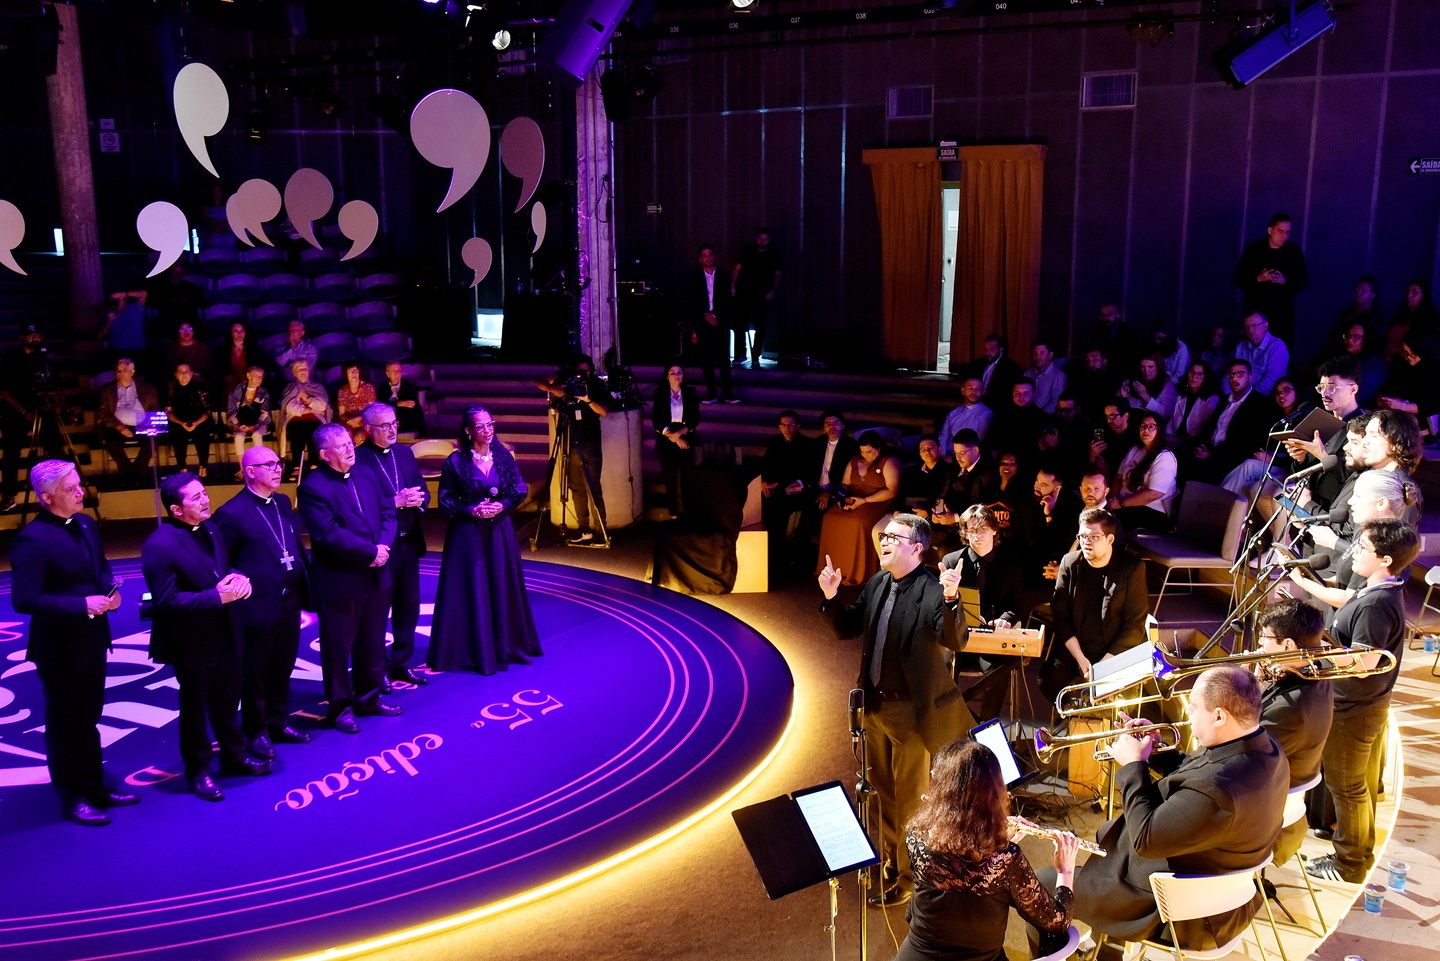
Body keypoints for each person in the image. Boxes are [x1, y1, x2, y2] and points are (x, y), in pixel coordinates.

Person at [1062, 665, 1289, 951]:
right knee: (1108, 835)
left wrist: (1133, 765)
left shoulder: (1216, 790)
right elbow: (1197, 773)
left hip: (1178, 913)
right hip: (1216, 884)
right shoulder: (1265, 747)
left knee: (1044, 885)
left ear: (1219, 716)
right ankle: (1107, 950)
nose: (1188, 713)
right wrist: (1156, 750)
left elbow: (1146, 840)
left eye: (1194, 707)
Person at [819, 514, 972, 906]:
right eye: (883, 535)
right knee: (881, 793)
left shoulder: (933, 590)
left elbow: (956, 640)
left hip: (912, 713)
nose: (883, 541)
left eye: (893, 537)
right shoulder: (878, 582)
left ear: (917, 548)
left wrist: (952, 599)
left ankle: (910, 876)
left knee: (910, 799)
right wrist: (832, 598)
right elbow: (847, 628)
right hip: (874, 706)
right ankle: (892, 859)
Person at [10, 460, 134, 826]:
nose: (81, 492)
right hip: (60, 648)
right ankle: (72, 795)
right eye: (71, 489)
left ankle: (94, 786)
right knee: (65, 724)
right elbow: (25, 599)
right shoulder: (31, 539)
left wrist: (110, 591)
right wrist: (81, 605)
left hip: (94, 639)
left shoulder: (86, 523)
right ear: (47, 497)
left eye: (80, 484)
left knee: (89, 719)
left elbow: (101, 568)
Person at [142, 472, 269, 801]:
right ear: (176, 509)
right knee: (195, 711)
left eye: (204, 493)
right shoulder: (159, 545)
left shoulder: (211, 529)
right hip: (191, 641)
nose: (206, 500)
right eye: (196, 497)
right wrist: (216, 597)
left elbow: (221, 571)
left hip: (226, 631)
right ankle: (198, 772)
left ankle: (234, 757)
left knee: (227, 703)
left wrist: (239, 578)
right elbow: (166, 602)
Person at [895, 739, 1079, 961]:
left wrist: (996, 842)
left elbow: (955, 866)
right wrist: (1066, 870)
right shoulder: (1006, 860)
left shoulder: (917, 836)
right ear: (995, 792)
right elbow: (1057, 922)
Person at [1306, 519, 1417, 884]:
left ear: (1385, 559)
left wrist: (1316, 656)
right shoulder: (1379, 589)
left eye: (1363, 548)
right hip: (1361, 706)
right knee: (1355, 787)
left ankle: (1349, 864)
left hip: (1353, 709)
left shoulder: (1376, 604)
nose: (1353, 552)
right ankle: (1355, 854)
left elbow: (1365, 662)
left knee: (1348, 789)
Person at [297, 422, 399, 733]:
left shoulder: (366, 472)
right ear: (325, 454)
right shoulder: (312, 487)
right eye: (341, 446)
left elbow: (388, 511)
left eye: (350, 443)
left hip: (377, 572)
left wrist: (383, 546)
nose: (350, 449)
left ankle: (368, 698)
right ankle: (340, 708)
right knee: (338, 649)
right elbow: (327, 534)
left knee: (373, 641)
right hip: (341, 580)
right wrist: (370, 552)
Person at [213, 446, 312, 760]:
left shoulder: (281, 502)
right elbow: (220, 560)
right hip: (255, 607)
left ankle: (279, 721)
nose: (278, 468)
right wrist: (235, 575)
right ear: (250, 471)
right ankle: (256, 732)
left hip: (288, 601)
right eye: (269, 464)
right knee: (255, 672)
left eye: (278, 463)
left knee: (283, 665)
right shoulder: (231, 513)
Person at [428, 406, 542, 674]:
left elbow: (519, 489)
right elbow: (445, 500)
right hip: (468, 535)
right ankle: (472, 651)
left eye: (490, 424)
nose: (487, 430)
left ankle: (506, 647)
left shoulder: (503, 455)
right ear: (468, 431)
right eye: (480, 426)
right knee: (473, 588)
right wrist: (472, 510)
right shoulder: (456, 461)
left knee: (501, 584)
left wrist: (502, 505)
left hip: (499, 531)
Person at [355, 402, 430, 686]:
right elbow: (359, 505)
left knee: (408, 606)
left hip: (408, 541)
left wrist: (420, 499)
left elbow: (422, 486)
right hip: (381, 547)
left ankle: (401, 663)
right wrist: (394, 502)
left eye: (394, 423)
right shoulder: (358, 459)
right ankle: (376, 671)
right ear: (368, 429)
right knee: (377, 612)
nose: (392, 430)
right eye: (384, 426)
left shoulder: (404, 452)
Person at [1038, 509, 1148, 703]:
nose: (1086, 542)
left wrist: (1103, 666)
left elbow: (1134, 624)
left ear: (1110, 539)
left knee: (1125, 697)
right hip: (1079, 647)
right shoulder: (1070, 563)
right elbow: (1060, 616)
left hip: (1116, 649)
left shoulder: (1131, 567)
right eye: (1082, 536)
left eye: (1094, 537)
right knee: (1048, 680)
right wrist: (1080, 659)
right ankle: (1074, 714)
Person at [1254, 598, 1333, 866]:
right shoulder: (1317, 671)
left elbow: (1242, 759)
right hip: (1289, 799)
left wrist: (1248, 691)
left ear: (1288, 645)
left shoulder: (1289, 708)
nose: (1260, 644)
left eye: (1265, 638)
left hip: (1265, 814)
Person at [537, 353, 611, 544]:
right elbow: (539, 382)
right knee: (576, 487)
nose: (582, 374)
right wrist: (555, 389)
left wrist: (587, 400)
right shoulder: (566, 379)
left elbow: (604, 411)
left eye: (586, 370)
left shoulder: (596, 384)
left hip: (590, 442)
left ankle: (601, 531)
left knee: (593, 488)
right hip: (569, 440)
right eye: (580, 371)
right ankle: (583, 528)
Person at [815, 429, 901, 587]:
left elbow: (892, 490)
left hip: (876, 502)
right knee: (830, 517)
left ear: (878, 448)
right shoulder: (854, 462)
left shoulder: (889, 462)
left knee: (858, 523)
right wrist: (842, 498)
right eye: (862, 451)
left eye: (869, 452)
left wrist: (865, 500)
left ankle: (858, 570)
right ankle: (833, 568)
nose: (865, 455)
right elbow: (845, 484)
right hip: (854, 499)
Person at [1192, 359, 1280, 481]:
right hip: (1209, 450)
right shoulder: (1223, 400)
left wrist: (1212, 455)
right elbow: (1209, 427)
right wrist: (1201, 447)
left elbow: (1247, 442)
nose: (1234, 379)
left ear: (1250, 377)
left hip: (1230, 459)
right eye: (1231, 375)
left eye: (1240, 374)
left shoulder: (1260, 403)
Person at [1234, 212, 1308, 341]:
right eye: (1280, 231)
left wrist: (1285, 281)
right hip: (1256, 312)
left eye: (1288, 232)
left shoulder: (1293, 252)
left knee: (1280, 348)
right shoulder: (1254, 250)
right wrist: (1258, 279)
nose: (1284, 235)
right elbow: (1238, 280)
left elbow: (1304, 282)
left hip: (1282, 314)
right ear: (1270, 230)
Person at [759, 409, 817, 570]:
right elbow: (766, 465)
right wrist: (764, 482)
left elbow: (805, 471)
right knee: (766, 507)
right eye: (783, 425)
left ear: (798, 426)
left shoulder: (807, 444)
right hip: (775, 489)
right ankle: (769, 553)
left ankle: (784, 557)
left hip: (795, 490)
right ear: (779, 427)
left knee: (781, 511)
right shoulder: (775, 442)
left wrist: (779, 484)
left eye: (791, 425)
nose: (787, 428)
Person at [682, 244, 737, 404]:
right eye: (704, 255)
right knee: (706, 359)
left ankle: (728, 393)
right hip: (702, 322)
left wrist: (716, 315)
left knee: (724, 359)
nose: (708, 257)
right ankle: (711, 393)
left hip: (720, 322)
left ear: (715, 256)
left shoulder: (724, 277)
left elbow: (728, 301)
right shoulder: (694, 278)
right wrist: (705, 316)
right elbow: (691, 302)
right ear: (700, 259)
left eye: (710, 254)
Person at [1107, 412, 1176, 534]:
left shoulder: (1164, 457)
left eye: (1151, 426)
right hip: (1124, 504)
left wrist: (1121, 504)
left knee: (1108, 525)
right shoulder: (1135, 450)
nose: (1145, 430)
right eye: (1143, 426)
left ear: (1159, 430)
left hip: (1150, 510)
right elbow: (1119, 477)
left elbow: (1154, 493)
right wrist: (1113, 499)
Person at [97, 357, 160, 486]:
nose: (121, 373)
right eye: (119, 370)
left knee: (154, 438)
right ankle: (127, 471)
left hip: (142, 425)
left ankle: (136, 472)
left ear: (132, 371)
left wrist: (148, 424)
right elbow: (103, 413)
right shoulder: (107, 390)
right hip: (117, 427)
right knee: (110, 440)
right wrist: (120, 427)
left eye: (124, 370)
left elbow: (155, 409)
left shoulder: (147, 388)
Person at [652, 363, 701, 518]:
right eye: (672, 372)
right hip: (666, 437)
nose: (676, 375)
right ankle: (673, 513)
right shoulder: (660, 393)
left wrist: (679, 435)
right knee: (670, 478)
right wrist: (672, 436)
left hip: (685, 435)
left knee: (687, 478)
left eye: (679, 372)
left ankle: (687, 513)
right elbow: (656, 419)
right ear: (667, 376)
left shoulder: (690, 392)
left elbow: (695, 418)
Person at [730, 227, 781, 367]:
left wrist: (773, 291)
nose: (762, 242)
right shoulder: (748, 250)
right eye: (760, 239)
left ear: (769, 240)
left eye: (765, 239)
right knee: (740, 324)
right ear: (756, 238)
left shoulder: (773, 253)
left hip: (762, 296)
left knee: (760, 327)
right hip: (744, 293)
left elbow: (778, 274)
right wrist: (733, 285)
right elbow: (737, 268)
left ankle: (755, 355)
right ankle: (740, 354)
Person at [280, 359, 332, 479]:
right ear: (294, 373)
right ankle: (297, 467)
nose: (303, 372)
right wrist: (310, 409)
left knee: (312, 430)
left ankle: (314, 465)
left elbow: (322, 406)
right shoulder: (289, 388)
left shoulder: (317, 387)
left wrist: (307, 398)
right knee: (297, 431)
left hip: (315, 419)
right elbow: (289, 407)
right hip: (295, 420)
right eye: (300, 369)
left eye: (305, 369)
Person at [164, 363, 213, 477]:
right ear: (176, 375)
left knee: (203, 435)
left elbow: (208, 411)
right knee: (177, 436)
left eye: (186, 372)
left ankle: (203, 467)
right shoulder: (171, 389)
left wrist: (196, 423)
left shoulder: (200, 387)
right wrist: (181, 423)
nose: (184, 375)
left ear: (191, 374)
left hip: (199, 420)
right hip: (179, 421)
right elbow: (168, 412)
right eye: (181, 372)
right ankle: (182, 469)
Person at [1379, 278, 1438, 361]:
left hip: (1403, 364)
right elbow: (1385, 338)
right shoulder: (1401, 313)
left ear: (1424, 296)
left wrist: (1394, 360)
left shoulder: (1428, 320)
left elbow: (1417, 356)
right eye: (1408, 292)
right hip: (1383, 357)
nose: (1409, 295)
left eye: (1414, 293)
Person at [1233, 311, 1289, 395]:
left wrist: (1248, 398)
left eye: (1254, 325)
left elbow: (1271, 381)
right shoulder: (1241, 346)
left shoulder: (1277, 346)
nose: (1250, 330)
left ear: (1266, 326)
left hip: (1265, 397)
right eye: (1247, 326)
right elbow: (1234, 373)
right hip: (1241, 394)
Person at [1118, 355, 1178, 434]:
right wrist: (1124, 398)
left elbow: (1165, 414)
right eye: (1143, 367)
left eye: (1150, 367)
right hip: (1132, 423)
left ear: (1158, 367)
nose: (1146, 371)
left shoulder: (1167, 385)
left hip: (1153, 428)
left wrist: (1145, 396)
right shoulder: (1135, 379)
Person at [1169, 361, 1218, 452]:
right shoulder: (1181, 395)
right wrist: (1168, 435)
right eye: (1192, 372)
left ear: (1206, 377)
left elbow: (1203, 427)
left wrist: (1180, 440)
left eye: (1199, 374)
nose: (1194, 376)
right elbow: (1171, 419)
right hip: (1174, 439)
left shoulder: (1211, 399)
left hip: (1193, 443)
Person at [227, 365, 271, 462]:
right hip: (241, 423)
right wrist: (238, 425)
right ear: (248, 376)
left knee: (257, 435)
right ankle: (242, 467)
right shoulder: (237, 392)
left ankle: (260, 463)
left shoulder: (264, 393)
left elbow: (265, 412)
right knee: (239, 437)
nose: (259, 379)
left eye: (261, 376)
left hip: (259, 423)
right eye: (256, 376)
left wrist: (256, 425)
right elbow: (232, 410)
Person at [938, 378, 993, 453]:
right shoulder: (954, 413)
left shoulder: (987, 413)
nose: (974, 392)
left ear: (983, 392)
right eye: (970, 388)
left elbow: (978, 439)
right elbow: (943, 436)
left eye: (978, 389)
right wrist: (943, 455)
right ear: (963, 390)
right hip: (949, 454)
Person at [1090, 302, 1140, 376]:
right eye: (1103, 315)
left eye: (1109, 314)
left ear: (1117, 315)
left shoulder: (1128, 331)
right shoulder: (1098, 331)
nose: (1106, 318)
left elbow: (1133, 356)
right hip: (1103, 373)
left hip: (1124, 372)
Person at [974, 335, 1023, 409]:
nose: (987, 353)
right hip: (977, 406)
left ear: (1001, 350)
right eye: (986, 349)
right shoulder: (978, 363)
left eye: (991, 349)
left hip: (998, 408)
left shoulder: (1011, 367)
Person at [380, 360, 426, 435]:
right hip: (387, 424)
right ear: (387, 374)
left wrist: (423, 430)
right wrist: (398, 404)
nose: (396, 373)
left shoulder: (409, 386)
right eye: (393, 371)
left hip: (405, 425)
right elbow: (381, 406)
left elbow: (415, 408)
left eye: (399, 370)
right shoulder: (382, 388)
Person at [334, 362, 377, 441]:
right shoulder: (342, 391)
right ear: (346, 374)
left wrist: (360, 418)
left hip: (366, 421)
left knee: (359, 435)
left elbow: (373, 410)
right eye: (351, 371)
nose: (354, 373)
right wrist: (350, 421)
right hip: (350, 423)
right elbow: (342, 414)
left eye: (356, 371)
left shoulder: (368, 387)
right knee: (345, 434)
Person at [1025, 341, 1067, 415]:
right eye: (1035, 353)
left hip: (1045, 417)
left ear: (1050, 355)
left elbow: (1055, 404)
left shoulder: (1059, 376)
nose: (1038, 357)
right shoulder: (1028, 373)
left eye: (1042, 353)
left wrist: (1037, 415)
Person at [220, 321, 259, 396]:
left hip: (248, 382)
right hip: (230, 384)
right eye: (236, 331)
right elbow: (220, 368)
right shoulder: (223, 348)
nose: (239, 333)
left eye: (242, 330)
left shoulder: (253, 347)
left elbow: (257, 365)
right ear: (231, 333)